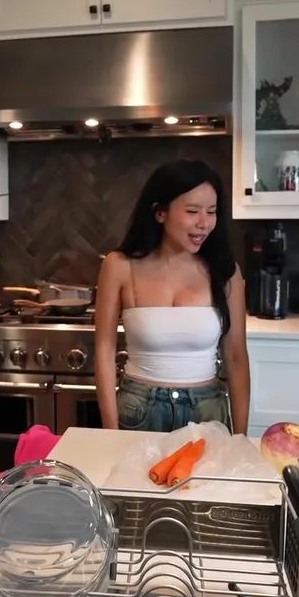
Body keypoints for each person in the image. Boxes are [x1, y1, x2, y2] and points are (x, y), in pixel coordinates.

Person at [94, 160, 250, 433]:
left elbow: (236, 356)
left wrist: (241, 437)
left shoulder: (226, 272)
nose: (204, 223)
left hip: (207, 411)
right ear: (160, 213)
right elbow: (104, 352)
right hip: (139, 409)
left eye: (211, 212)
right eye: (192, 211)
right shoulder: (118, 266)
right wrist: (110, 433)